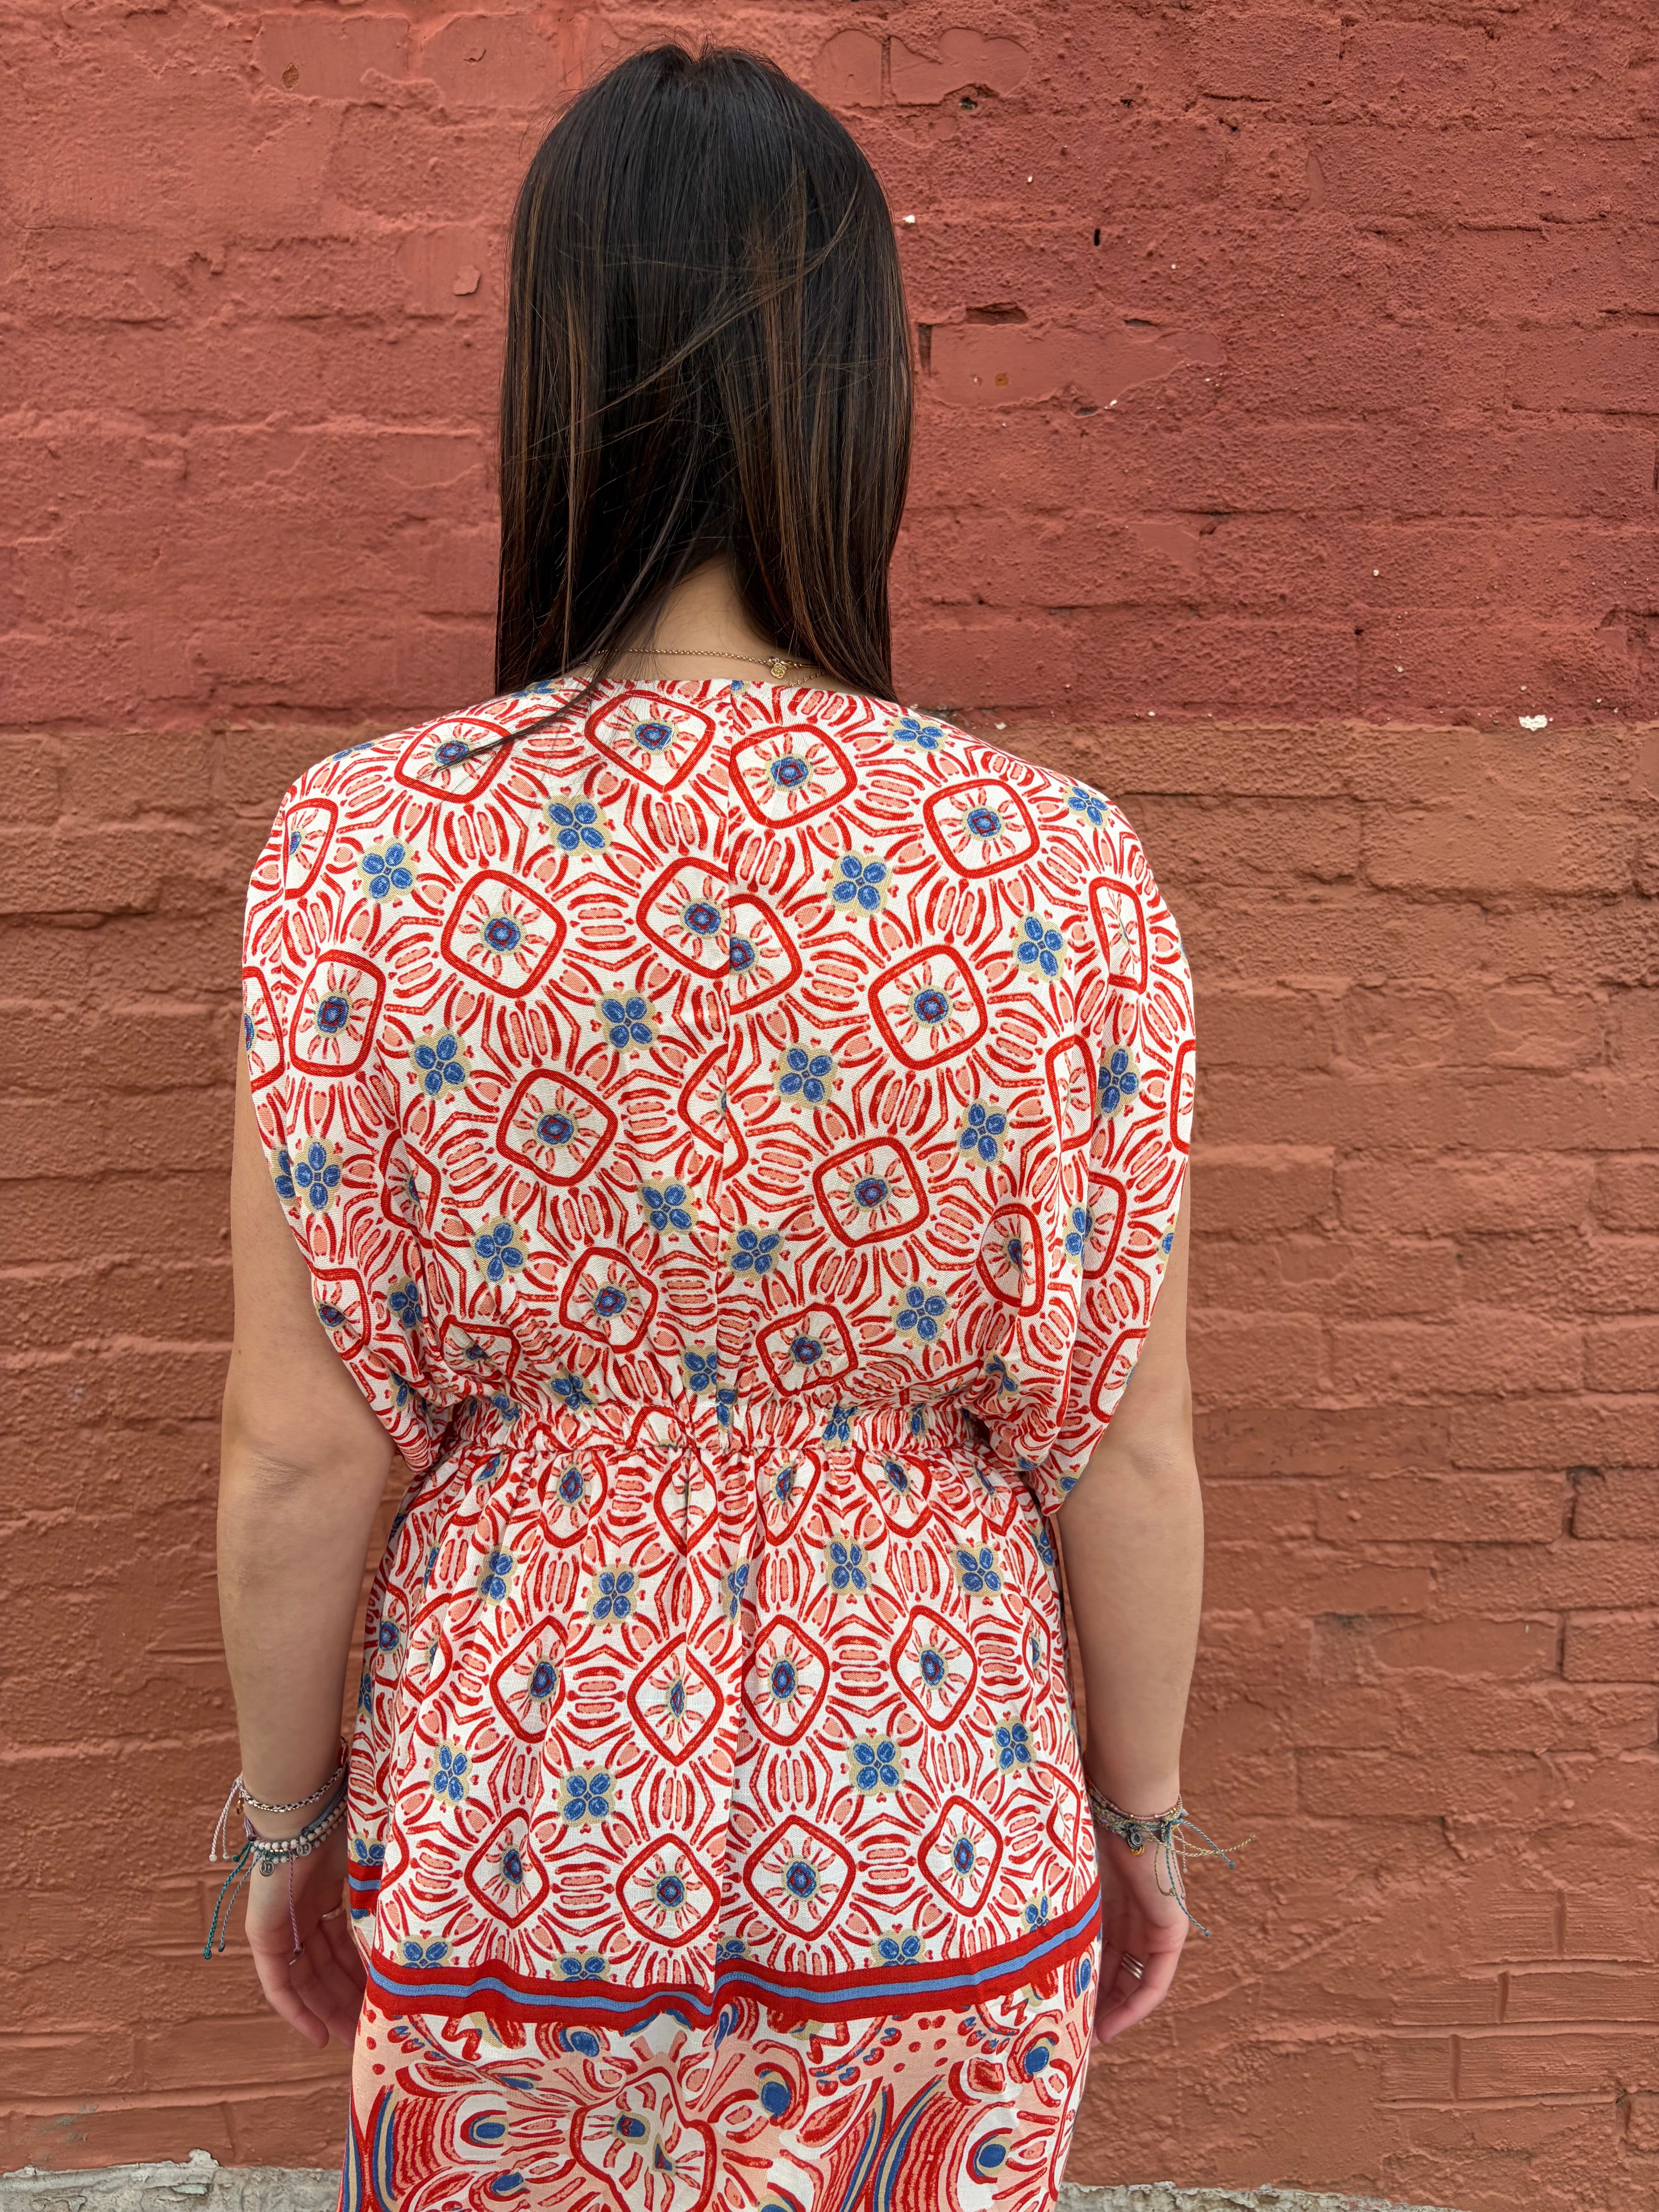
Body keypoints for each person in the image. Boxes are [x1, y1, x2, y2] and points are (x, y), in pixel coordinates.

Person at [215, 40, 1206, 2211]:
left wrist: (287, 1829)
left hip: (514, 1824)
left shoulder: (363, 854)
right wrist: (1137, 1825)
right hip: (936, 1826)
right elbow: (1120, 1438)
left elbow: (302, 1446)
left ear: (547, 385)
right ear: (865, 396)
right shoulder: (1057, 870)